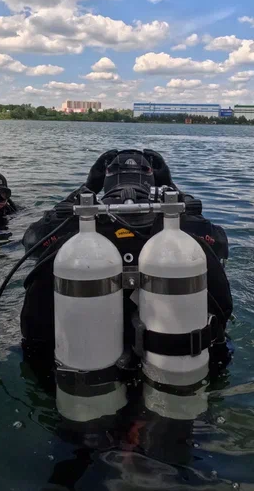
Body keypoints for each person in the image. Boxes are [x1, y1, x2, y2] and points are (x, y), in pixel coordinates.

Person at [19, 148, 233, 370]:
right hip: (175, 364)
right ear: (151, 180)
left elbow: (31, 242)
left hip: (85, 364)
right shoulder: (182, 227)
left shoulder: (78, 225)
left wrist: (86, 189)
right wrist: (172, 188)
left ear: (106, 180)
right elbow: (220, 245)